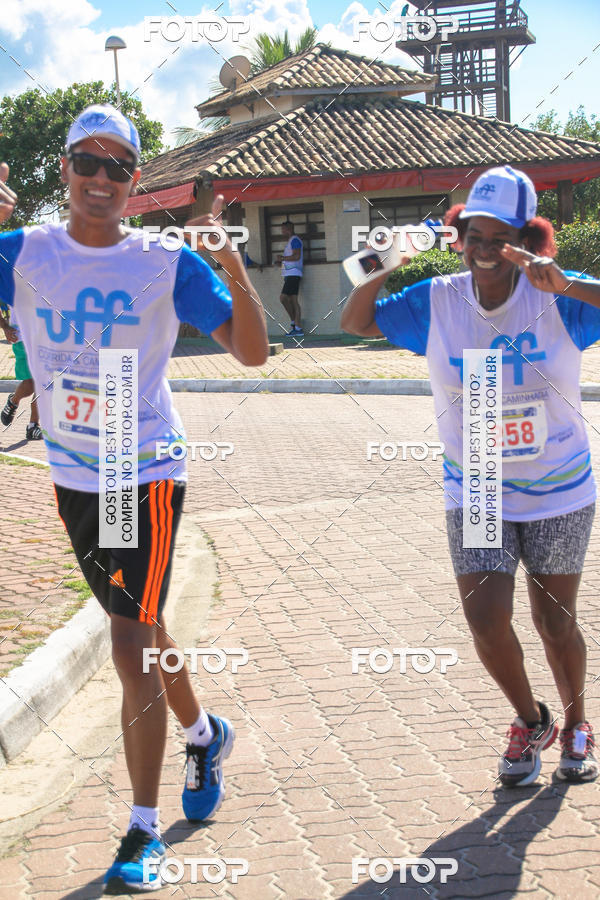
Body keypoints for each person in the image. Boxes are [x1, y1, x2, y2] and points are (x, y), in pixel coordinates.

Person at [0, 104, 268, 892]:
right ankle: (203, 731)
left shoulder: (164, 260)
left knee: (125, 643)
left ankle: (141, 832)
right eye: (88, 160)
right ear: (65, 170)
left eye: (120, 166)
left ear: (135, 182)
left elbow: (252, 354)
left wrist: (230, 264)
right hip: (73, 474)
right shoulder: (22, 251)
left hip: (138, 469)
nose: (102, 177)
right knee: (143, 628)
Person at [342, 165, 600, 786]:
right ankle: (529, 718)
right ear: (457, 235)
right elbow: (356, 321)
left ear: (528, 239)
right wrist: (380, 264)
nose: (485, 251)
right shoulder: (437, 301)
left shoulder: (557, 299)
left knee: (553, 619)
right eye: (473, 236)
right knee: (485, 617)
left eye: (500, 238)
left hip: (558, 483)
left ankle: (577, 724)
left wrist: (571, 282)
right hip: (477, 481)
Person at [0, 304, 43, 439]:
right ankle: (13, 401)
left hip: (47, 339)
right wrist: (5, 327)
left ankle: (33, 426)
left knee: (43, 383)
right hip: (21, 338)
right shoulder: (12, 283)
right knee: (31, 385)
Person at [277, 219, 304, 336]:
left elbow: (297, 256)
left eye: (283, 229)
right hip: (289, 274)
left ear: (288, 229)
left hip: (294, 273)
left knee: (283, 298)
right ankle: (296, 326)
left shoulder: (295, 240)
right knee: (292, 300)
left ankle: (296, 326)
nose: (281, 231)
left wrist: (282, 258)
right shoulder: (290, 241)